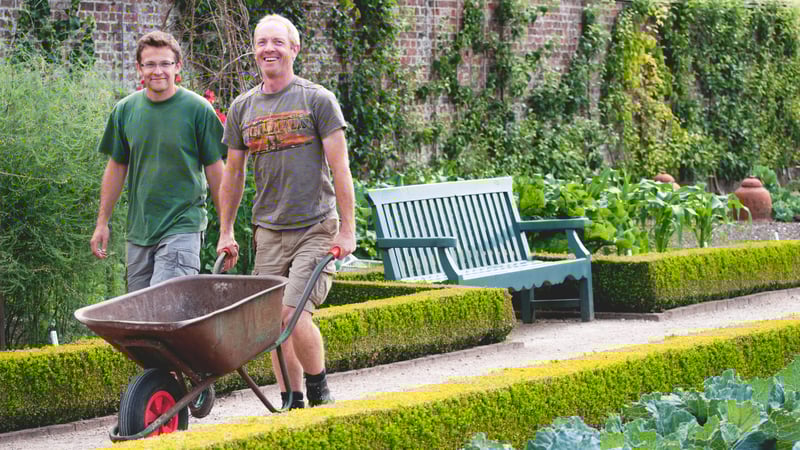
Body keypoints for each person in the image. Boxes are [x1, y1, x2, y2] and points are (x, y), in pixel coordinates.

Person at [216, 14, 356, 409]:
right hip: (268, 233)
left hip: (316, 227)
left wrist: (347, 230)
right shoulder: (243, 107)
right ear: (254, 50)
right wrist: (227, 231)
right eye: (262, 43)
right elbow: (233, 175)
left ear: (294, 49)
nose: (268, 49)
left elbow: (339, 167)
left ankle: (319, 392)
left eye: (278, 42)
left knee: (293, 314)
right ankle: (292, 401)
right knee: (271, 323)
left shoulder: (317, 99)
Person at [90, 31, 227, 293]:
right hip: (139, 230)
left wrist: (227, 229)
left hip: (182, 225)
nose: (158, 71)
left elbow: (216, 170)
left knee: (164, 305)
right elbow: (116, 167)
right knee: (141, 317)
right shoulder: (125, 110)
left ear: (178, 66)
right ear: (139, 68)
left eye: (165, 63)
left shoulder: (197, 109)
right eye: (150, 64)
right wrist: (102, 222)